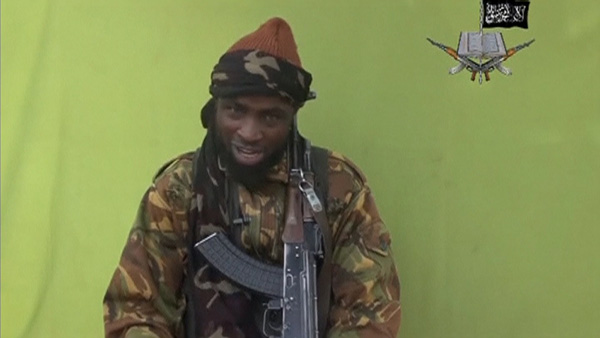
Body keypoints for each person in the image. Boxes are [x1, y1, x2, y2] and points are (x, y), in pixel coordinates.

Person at [103, 17, 401, 338]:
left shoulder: (337, 187)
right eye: (235, 110)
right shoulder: (180, 188)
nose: (249, 133)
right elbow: (135, 309)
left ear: (292, 118)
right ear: (214, 110)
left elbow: (371, 311)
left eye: (270, 117)